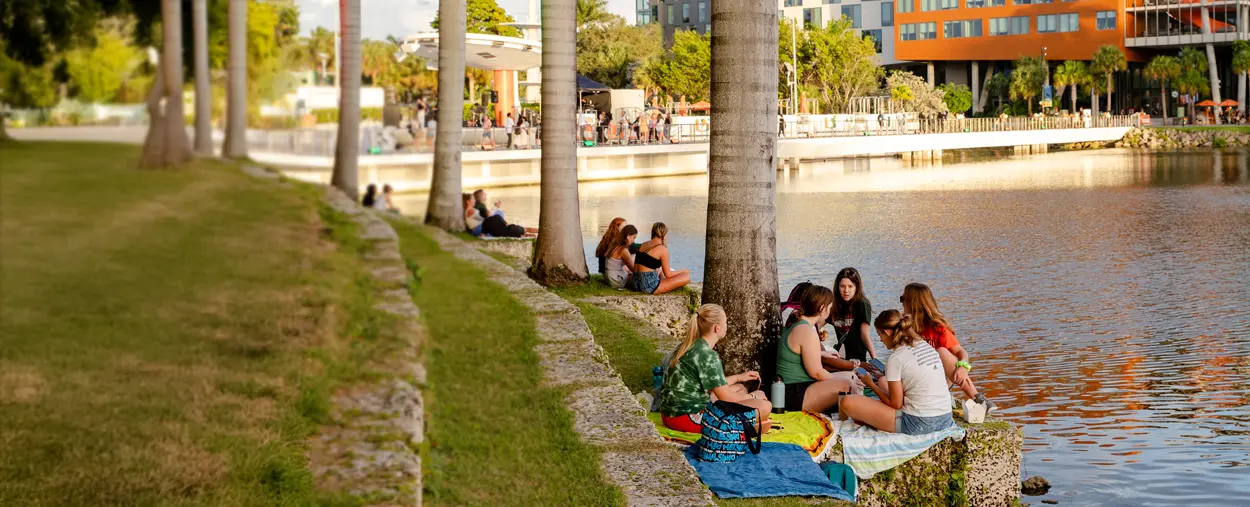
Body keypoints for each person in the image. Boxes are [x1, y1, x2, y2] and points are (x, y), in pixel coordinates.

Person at [837, 310, 956, 435]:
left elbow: (895, 405)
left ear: (887, 332)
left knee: (847, 402)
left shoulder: (896, 358)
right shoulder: (925, 346)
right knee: (884, 383)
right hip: (945, 418)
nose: (881, 340)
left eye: (880, 335)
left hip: (918, 423)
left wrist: (871, 384)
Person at [659, 304, 773, 433]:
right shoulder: (707, 355)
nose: (727, 326)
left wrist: (738, 378)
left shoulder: (688, 346)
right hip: (688, 418)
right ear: (717, 328)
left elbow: (713, 385)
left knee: (740, 388)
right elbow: (728, 399)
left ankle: (751, 424)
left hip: (670, 414)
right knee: (764, 406)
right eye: (725, 322)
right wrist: (754, 396)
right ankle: (741, 428)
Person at [901, 283, 995, 412]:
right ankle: (942, 397)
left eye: (903, 299)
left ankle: (977, 398)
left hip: (937, 377)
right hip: (916, 378)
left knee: (942, 351)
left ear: (912, 303)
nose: (901, 303)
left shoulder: (937, 328)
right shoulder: (903, 327)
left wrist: (963, 366)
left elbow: (960, 351)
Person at [776, 285, 859, 413]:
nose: (830, 311)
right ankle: (850, 417)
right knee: (847, 384)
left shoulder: (795, 323)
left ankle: (846, 412)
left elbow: (798, 351)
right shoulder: (807, 331)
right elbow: (816, 372)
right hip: (795, 394)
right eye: (830, 308)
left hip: (791, 390)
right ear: (822, 308)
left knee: (851, 376)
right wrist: (840, 382)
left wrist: (823, 354)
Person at [827, 267, 876, 361]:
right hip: (840, 357)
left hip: (858, 359)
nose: (846, 290)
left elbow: (864, 334)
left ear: (856, 287)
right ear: (837, 287)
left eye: (850, 286)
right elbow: (818, 321)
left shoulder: (862, 304)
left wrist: (874, 359)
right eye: (842, 286)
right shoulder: (834, 304)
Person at [629, 222, 690, 295]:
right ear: (664, 233)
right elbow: (668, 274)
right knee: (686, 277)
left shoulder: (644, 244)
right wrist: (683, 271)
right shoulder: (662, 248)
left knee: (660, 271)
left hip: (635, 283)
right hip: (649, 286)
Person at [470, 189, 538, 237]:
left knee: (524, 232)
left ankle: (535, 234)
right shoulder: (480, 207)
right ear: (481, 196)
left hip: (496, 227)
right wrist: (496, 207)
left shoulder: (480, 207)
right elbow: (488, 216)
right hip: (486, 228)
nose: (486, 194)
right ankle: (540, 233)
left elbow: (488, 216)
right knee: (499, 214)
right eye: (484, 194)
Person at [604, 225, 637, 289]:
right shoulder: (623, 250)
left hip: (609, 277)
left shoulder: (614, 244)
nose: (634, 241)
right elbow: (634, 269)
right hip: (617, 280)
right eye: (634, 237)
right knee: (641, 279)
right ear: (628, 237)